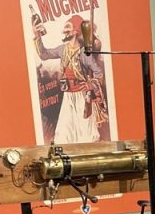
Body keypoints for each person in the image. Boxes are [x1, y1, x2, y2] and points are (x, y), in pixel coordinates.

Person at [33, 14, 106, 144]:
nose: (64, 31)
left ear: (76, 31)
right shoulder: (62, 50)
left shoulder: (84, 53)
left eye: (68, 28)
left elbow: (99, 73)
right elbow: (44, 55)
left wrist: (91, 85)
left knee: (86, 133)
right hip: (68, 96)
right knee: (64, 133)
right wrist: (37, 35)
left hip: (82, 97)